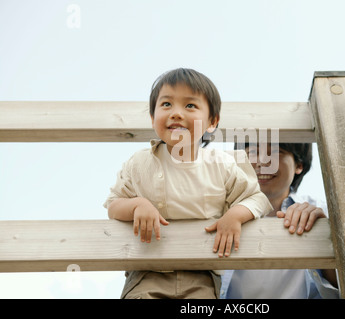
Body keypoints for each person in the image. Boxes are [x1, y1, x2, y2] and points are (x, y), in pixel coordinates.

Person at [104, 68, 272, 299]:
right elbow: (114, 205)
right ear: (153, 118)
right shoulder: (140, 162)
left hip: (202, 273)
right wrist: (137, 205)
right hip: (146, 272)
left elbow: (256, 198)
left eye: (190, 106)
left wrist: (235, 215)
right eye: (166, 105)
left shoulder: (222, 163)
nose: (176, 113)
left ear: (212, 122)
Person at [220, 142, 340, 299]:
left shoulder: (322, 212)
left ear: (299, 165)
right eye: (253, 152)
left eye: (277, 152)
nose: (263, 161)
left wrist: (325, 238)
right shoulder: (217, 212)